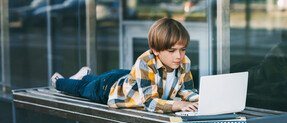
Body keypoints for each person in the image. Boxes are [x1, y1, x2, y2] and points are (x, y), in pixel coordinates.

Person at [51, 18, 199, 113]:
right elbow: (150, 103)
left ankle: (84, 76)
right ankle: (58, 81)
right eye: (172, 50)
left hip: (126, 77)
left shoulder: (184, 62)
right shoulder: (145, 62)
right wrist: (178, 105)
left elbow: (187, 91)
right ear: (155, 50)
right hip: (109, 89)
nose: (179, 56)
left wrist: (202, 100)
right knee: (81, 88)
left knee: (90, 80)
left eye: (183, 49)